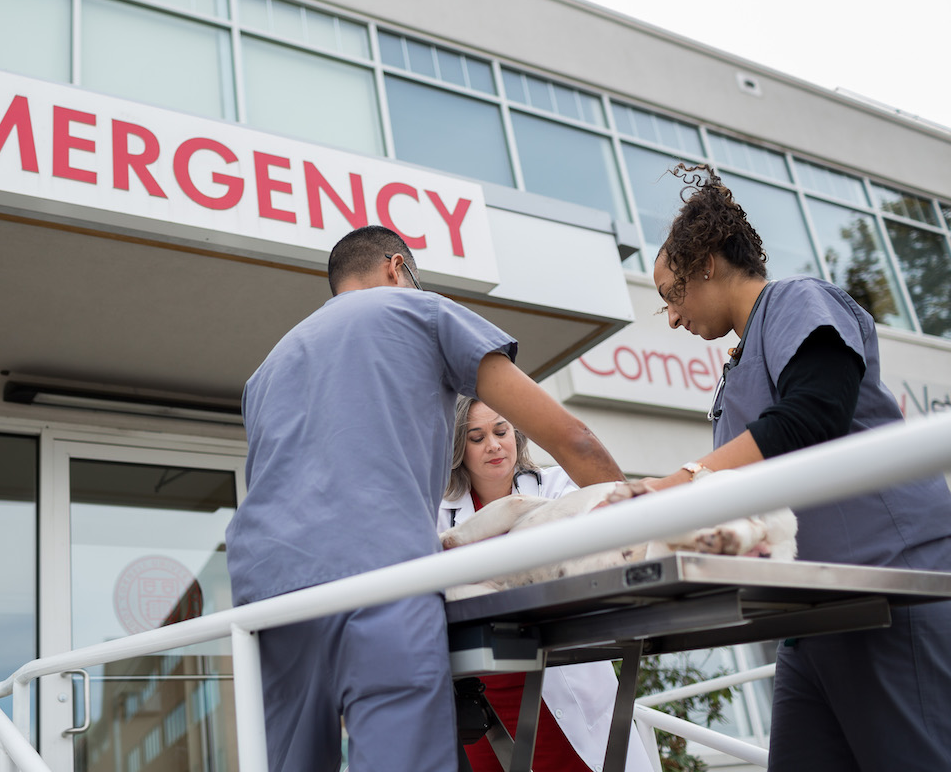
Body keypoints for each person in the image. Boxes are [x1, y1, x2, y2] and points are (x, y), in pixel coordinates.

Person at [225, 225, 624, 772]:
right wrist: (647, 518)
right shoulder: (421, 311)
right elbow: (571, 437)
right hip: (380, 573)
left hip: (266, 591)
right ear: (396, 269)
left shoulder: (265, 371)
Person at [610, 163, 951, 771]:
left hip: (892, 587)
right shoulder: (738, 369)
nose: (672, 316)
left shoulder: (798, 300)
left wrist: (675, 484)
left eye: (672, 294)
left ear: (708, 263)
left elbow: (813, 412)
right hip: (811, 613)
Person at [440, 396, 654, 772]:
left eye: (501, 431)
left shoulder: (559, 488)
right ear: (459, 449)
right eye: (476, 437)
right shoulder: (440, 513)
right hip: (484, 691)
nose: (493, 444)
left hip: (557, 676)